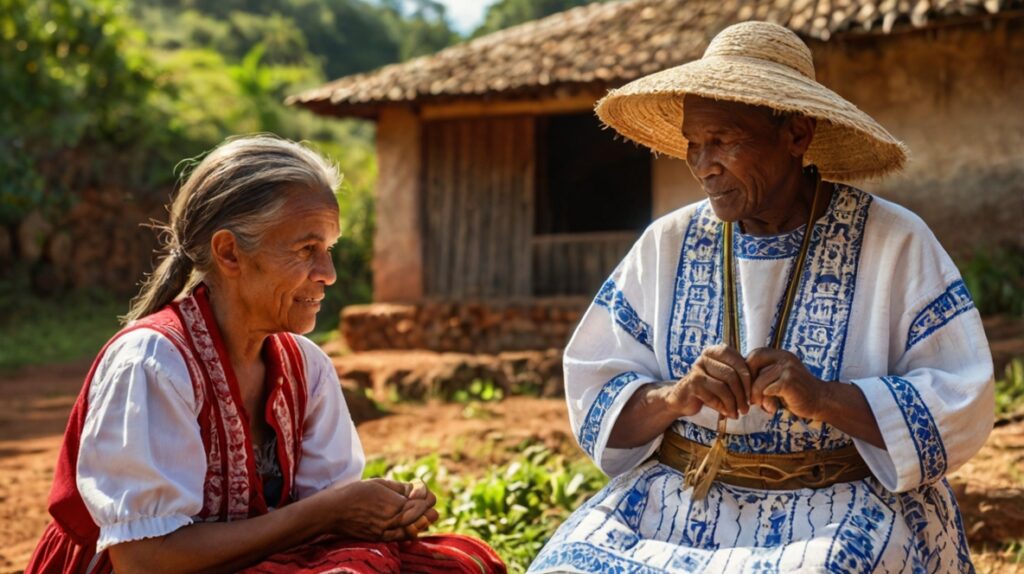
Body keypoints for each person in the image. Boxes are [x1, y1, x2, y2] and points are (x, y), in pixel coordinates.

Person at [529, 21, 993, 573]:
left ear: (796, 134)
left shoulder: (894, 240)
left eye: (723, 140)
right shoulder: (666, 242)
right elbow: (596, 399)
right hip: (681, 494)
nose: (703, 166)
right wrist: (676, 397)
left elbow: (960, 404)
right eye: (693, 144)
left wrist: (825, 397)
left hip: (844, 502)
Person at [27, 135, 506, 573]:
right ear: (229, 253)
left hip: (260, 561)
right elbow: (145, 560)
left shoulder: (305, 366)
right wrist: (330, 512)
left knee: (461, 565)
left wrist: (382, 512)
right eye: (307, 248)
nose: (328, 273)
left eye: (329, 248)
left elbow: (333, 516)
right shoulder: (154, 362)